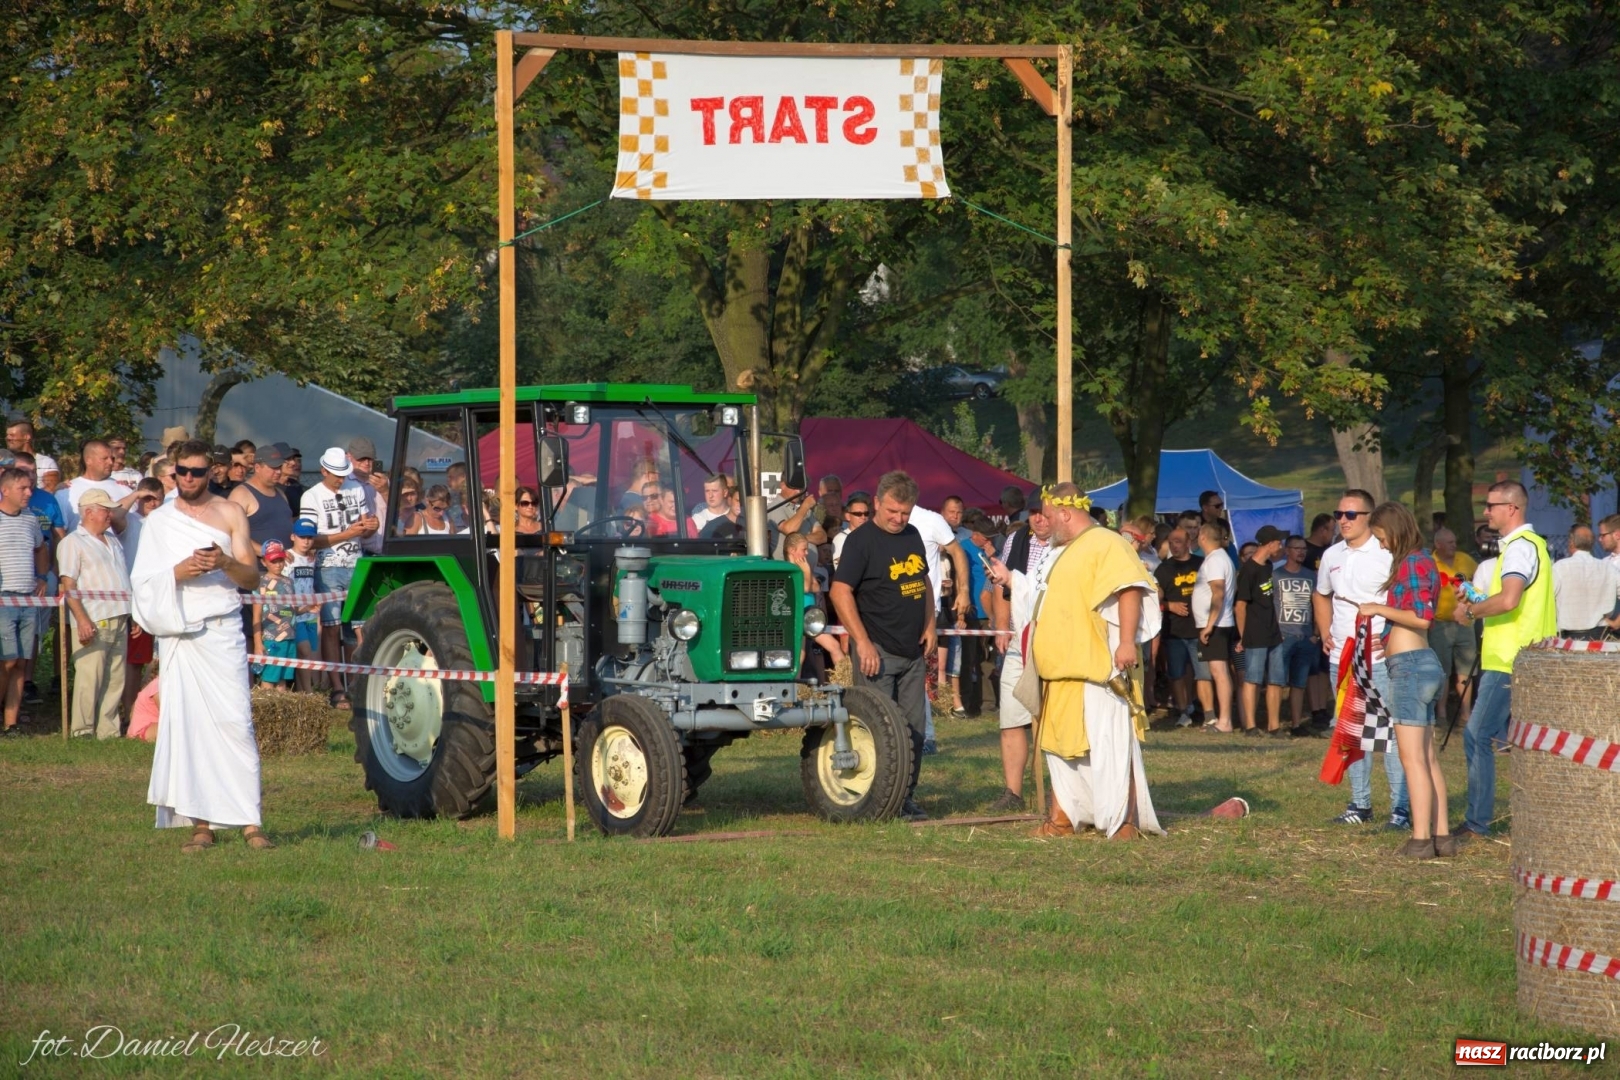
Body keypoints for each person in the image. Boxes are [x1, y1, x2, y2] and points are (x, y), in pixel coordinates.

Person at [130, 440, 272, 853]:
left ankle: (251, 822)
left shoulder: (230, 513)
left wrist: (225, 563)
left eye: (197, 472)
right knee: (186, 729)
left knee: (236, 723)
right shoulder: (159, 522)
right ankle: (201, 826)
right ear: (172, 472)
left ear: (212, 471)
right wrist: (179, 571)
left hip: (221, 630)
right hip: (178, 634)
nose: (189, 479)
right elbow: (142, 583)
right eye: (182, 472)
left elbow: (253, 578)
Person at [1028, 484, 1163, 840]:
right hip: (1061, 671)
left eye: (1050, 515)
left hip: (1098, 670)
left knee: (1112, 745)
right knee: (1061, 749)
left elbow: (1130, 588)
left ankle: (1125, 822)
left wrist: (1124, 643)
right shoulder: (1065, 549)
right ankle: (1064, 817)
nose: (1045, 522)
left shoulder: (1106, 542)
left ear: (1067, 513)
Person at [1454, 480, 1557, 842]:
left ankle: (1477, 823)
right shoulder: (1535, 547)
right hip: (1530, 656)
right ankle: (1540, 818)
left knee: (1478, 735)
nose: (1485, 511)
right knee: (1527, 742)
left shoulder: (1518, 549)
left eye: (1490, 504)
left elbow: (1510, 600)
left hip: (1510, 658)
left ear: (1511, 508)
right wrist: (1480, 598)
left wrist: (1472, 610)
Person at [829, 470, 935, 822]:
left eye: (905, 512)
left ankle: (906, 797)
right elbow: (840, 591)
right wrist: (862, 643)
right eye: (892, 511)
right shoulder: (861, 542)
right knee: (881, 732)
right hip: (878, 652)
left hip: (912, 652)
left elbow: (923, 581)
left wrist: (931, 624)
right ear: (876, 502)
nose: (898, 518)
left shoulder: (913, 535)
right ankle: (876, 801)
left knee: (914, 732)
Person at [1355, 502, 1454, 858]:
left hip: (1411, 668)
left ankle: (1420, 838)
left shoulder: (1413, 561)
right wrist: (1389, 634)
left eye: (1381, 537)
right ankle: (1442, 836)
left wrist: (1378, 609)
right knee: (1427, 758)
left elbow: (1422, 617)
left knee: (1412, 759)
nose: (1381, 545)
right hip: (1418, 662)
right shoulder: (1421, 560)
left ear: (1394, 530)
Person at [1315, 489, 1409, 829]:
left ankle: (1400, 808)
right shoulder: (1331, 555)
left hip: (1380, 657)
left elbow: (1404, 602)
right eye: (1339, 514)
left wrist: (1392, 637)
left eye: (1351, 515)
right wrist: (1325, 630)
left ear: (1370, 517)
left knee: (1392, 733)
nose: (1342, 520)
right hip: (1342, 656)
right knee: (1350, 730)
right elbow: (1322, 593)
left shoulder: (1388, 554)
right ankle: (1360, 804)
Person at [985, 493, 1055, 812]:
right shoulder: (1017, 539)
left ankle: (1062, 793)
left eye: (1044, 512)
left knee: (1056, 716)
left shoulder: (1069, 542)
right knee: (1012, 714)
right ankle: (1012, 793)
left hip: (1056, 637)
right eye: (1034, 513)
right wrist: (1002, 626)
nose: (1039, 518)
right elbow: (1004, 586)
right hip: (1020, 638)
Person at [299, 448, 378, 707]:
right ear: (323, 471)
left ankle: (358, 684)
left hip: (356, 563)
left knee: (359, 628)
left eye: (343, 474)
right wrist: (348, 533)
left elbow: (364, 529)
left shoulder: (356, 490)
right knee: (331, 627)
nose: (339, 479)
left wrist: (370, 528)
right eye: (335, 474)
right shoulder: (311, 496)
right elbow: (310, 541)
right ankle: (336, 688)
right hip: (328, 565)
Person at [58, 489, 131, 738]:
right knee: (90, 675)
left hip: (120, 614)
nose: (109, 514)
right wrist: (81, 618)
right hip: (93, 616)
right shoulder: (72, 542)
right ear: (88, 512)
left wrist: (131, 613)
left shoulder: (113, 539)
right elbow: (69, 584)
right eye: (105, 509)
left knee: (115, 677)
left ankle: (108, 730)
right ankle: (82, 729)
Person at [0, 466, 49, 736]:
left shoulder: (30, 519)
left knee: (20, 662)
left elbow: (40, 548)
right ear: (5, 490)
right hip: (3, 599)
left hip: (28, 598)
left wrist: (42, 576)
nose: (29, 492)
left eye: (30, 487)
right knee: (6, 661)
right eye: (23, 488)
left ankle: (11, 722)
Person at [14, 451, 65, 706]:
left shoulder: (48, 500)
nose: (30, 477)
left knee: (32, 630)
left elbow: (57, 536)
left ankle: (28, 681)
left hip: (41, 577)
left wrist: (57, 569)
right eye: (23, 471)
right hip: (11, 578)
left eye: (34, 472)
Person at [1234, 526, 1288, 735]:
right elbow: (1240, 606)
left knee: (1276, 679)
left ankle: (1273, 726)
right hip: (1254, 632)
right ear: (1270, 543)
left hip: (1272, 631)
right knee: (1252, 678)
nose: (1281, 546)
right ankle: (1250, 725)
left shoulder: (1267, 566)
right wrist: (1243, 636)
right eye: (1279, 542)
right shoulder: (1249, 570)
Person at [119, 479, 164, 722]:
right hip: (137, 598)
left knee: (160, 659)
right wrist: (135, 494)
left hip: (164, 596)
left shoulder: (168, 522)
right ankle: (130, 714)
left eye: (155, 498)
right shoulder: (132, 521)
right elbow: (115, 516)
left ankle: (156, 712)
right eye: (146, 498)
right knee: (134, 661)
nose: (151, 503)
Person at [1427, 526, 1479, 733]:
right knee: (1442, 671)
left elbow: (1479, 579)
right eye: (1449, 543)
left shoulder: (1465, 560)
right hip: (1440, 625)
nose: (1454, 546)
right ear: (1438, 544)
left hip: (1466, 623)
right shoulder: (1430, 563)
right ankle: (1441, 715)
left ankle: (1465, 715)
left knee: (1466, 670)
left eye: (1455, 542)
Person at [1153, 527, 1204, 726]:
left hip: (1198, 628)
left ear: (1188, 542)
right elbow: (1153, 599)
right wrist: (1169, 605)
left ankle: (1195, 705)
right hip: (1174, 631)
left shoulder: (1201, 565)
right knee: (1176, 672)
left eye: (1179, 541)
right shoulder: (1163, 569)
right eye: (1171, 541)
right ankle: (1183, 710)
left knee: (1199, 673)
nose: (1175, 545)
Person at [1274, 535, 1323, 734]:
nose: (1301, 552)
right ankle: (1274, 725)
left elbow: (1318, 605)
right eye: (1297, 548)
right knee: (1276, 682)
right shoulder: (1276, 576)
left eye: (1304, 548)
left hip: (1306, 637)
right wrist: (1276, 634)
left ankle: (1296, 724)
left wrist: (1316, 633)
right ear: (1287, 551)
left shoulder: (1311, 575)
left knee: (1299, 683)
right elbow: (1269, 607)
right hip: (1283, 636)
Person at [1191, 521, 1237, 732]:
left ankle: (1225, 721)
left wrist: (1209, 625)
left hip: (1217, 624)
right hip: (1216, 623)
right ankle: (1223, 719)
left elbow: (1218, 592)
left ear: (1202, 537)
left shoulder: (1216, 560)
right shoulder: (1216, 559)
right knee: (1218, 671)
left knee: (1219, 672)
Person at [1551, 525, 1620, 639]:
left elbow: (1547, 598)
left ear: (1571, 542)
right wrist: (1617, 623)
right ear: (1592, 544)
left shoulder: (1560, 568)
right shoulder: (1608, 568)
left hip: (1568, 636)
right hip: (1601, 634)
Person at [57, 439, 136, 533]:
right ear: (88, 460)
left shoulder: (124, 490)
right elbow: (59, 532)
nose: (111, 462)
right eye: (105, 458)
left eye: (112, 458)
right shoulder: (66, 492)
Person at [229, 443, 296, 551]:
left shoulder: (281, 493)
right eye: (273, 467)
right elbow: (232, 534)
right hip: (258, 566)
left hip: (287, 564)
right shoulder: (241, 494)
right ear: (257, 467)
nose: (278, 471)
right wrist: (265, 551)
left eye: (279, 467)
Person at [251, 540, 299, 691]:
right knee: (269, 677)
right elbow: (256, 616)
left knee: (282, 678)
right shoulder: (260, 583)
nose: (278, 564)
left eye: (280, 560)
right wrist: (258, 644)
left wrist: (309, 608)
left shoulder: (289, 582)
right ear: (264, 562)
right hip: (271, 638)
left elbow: (293, 609)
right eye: (273, 561)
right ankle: (268, 709)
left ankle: (281, 711)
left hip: (290, 637)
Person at [287, 518, 321, 693]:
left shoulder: (312, 558)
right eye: (302, 537)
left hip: (310, 614)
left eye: (310, 537)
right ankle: (309, 693)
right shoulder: (286, 558)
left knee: (306, 656)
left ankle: (303, 693)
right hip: (295, 613)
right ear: (293, 536)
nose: (306, 541)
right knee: (305, 650)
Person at [831, 491, 870, 570]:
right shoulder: (841, 539)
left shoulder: (872, 535)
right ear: (848, 516)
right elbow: (841, 569)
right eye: (858, 514)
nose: (863, 517)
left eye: (866, 513)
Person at [126, 679, 160, 743]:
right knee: (172, 727)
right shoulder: (158, 685)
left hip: (155, 725)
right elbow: (166, 714)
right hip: (143, 730)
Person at [280, 448, 306, 512]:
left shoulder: (298, 487)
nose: (295, 463)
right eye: (288, 460)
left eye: (299, 461)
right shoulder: (272, 488)